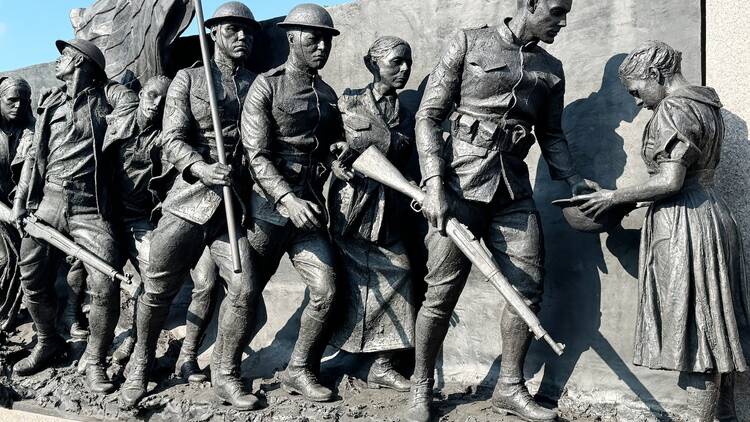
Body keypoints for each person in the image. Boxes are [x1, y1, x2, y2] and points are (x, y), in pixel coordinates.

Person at [409, 0, 599, 420]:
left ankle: (509, 387)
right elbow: (428, 116)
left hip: (512, 191)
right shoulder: (468, 42)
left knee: (527, 286)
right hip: (457, 186)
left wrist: (572, 180)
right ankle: (420, 385)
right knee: (441, 292)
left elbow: (551, 135)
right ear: (529, 4)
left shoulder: (552, 69)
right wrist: (434, 183)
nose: (563, 21)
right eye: (555, 10)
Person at [572, 40, 750, 422]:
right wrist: (628, 200)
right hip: (709, 215)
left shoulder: (673, 107)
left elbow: (670, 181)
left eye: (636, 91)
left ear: (655, 74)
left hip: (685, 224)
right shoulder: (707, 105)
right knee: (714, 330)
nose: (636, 102)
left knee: (697, 333)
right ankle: (729, 417)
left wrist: (613, 197)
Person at [119, 2, 262, 410]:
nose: (242, 37)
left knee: (244, 288)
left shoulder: (258, 84)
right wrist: (201, 167)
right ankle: (140, 367)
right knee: (156, 289)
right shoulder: (189, 79)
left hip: (233, 209)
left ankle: (226, 374)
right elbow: (171, 138)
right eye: (233, 30)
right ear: (214, 33)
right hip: (187, 203)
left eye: (248, 32)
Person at [10, 38, 139, 394]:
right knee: (31, 276)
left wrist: (106, 83)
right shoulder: (50, 103)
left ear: (80, 63)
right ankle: (47, 341)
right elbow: (35, 157)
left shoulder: (107, 101)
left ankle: (95, 361)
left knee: (104, 284)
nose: (58, 61)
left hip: (89, 208)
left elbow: (130, 114)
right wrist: (22, 202)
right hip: (48, 202)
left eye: (65, 56)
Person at [241, 3, 343, 403]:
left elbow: (328, 148)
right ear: (292, 39)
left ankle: (299, 368)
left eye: (326, 40)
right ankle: (226, 372)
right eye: (313, 39)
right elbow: (256, 154)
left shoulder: (327, 93)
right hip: (268, 211)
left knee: (326, 288)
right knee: (246, 291)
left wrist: (340, 160)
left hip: (311, 209)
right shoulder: (266, 86)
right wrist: (285, 198)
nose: (321, 46)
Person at [327, 36, 415, 392]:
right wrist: (335, 163)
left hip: (386, 207)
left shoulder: (405, 114)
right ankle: (331, 355)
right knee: (342, 283)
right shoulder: (347, 104)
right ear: (373, 64)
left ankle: (382, 363)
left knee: (401, 272)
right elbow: (324, 150)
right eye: (396, 62)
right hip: (351, 206)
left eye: (408, 62)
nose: (404, 69)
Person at [0, 76, 34, 334]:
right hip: (4, 211)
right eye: (12, 100)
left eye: (24, 100)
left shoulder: (29, 130)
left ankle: (7, 316)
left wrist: (20, 207)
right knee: (5, 257)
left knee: (25, 255)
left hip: (16, 208)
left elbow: (28, 172)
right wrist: (9, 214)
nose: (19, 105)